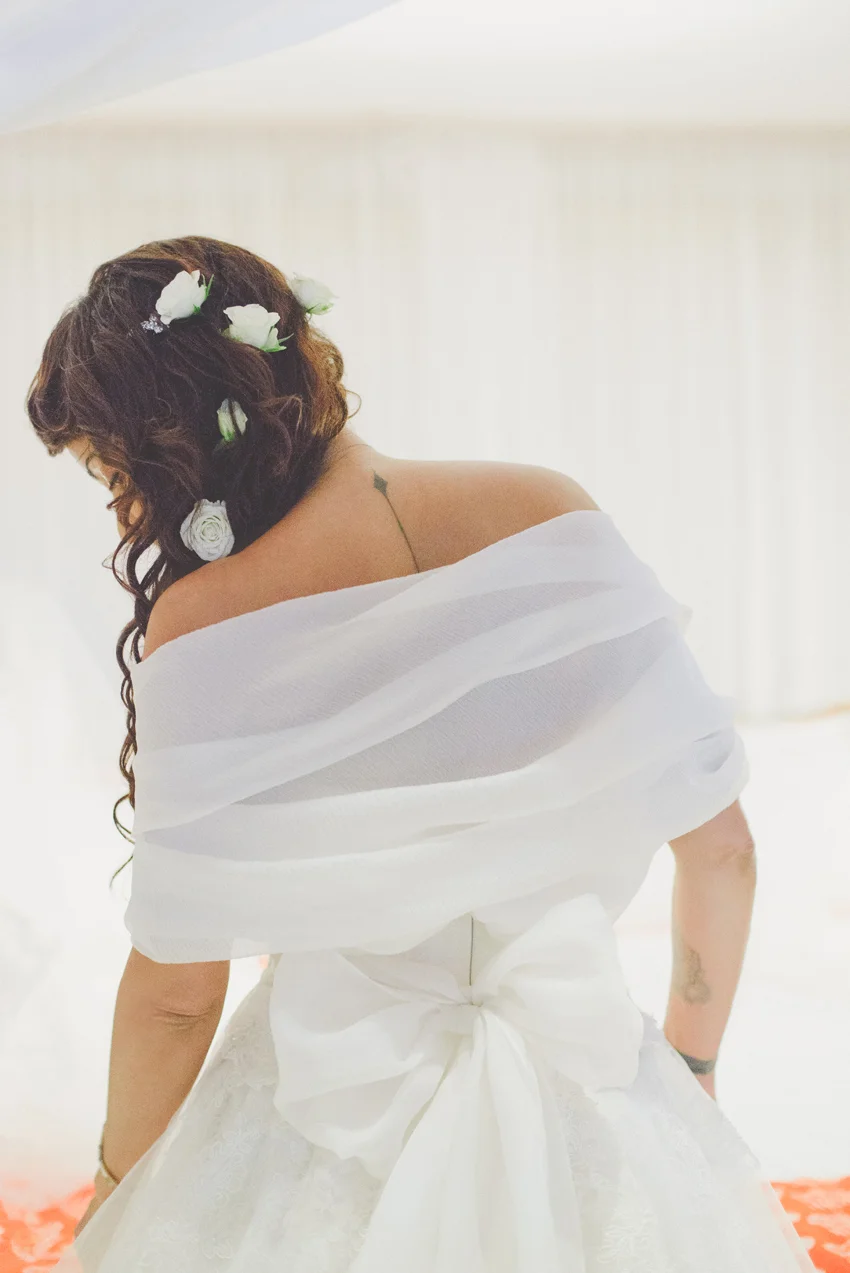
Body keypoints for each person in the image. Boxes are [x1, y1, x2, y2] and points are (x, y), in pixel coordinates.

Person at [28, 235, 816, 1272]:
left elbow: (179, 995)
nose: (126, 506)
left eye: (115, 474)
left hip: (320, 1113)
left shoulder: (206, 620)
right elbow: (723, 851)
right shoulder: (550, 510)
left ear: (174, 448)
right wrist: (694, 1071)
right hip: (590, 1087)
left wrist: (116, 1195)